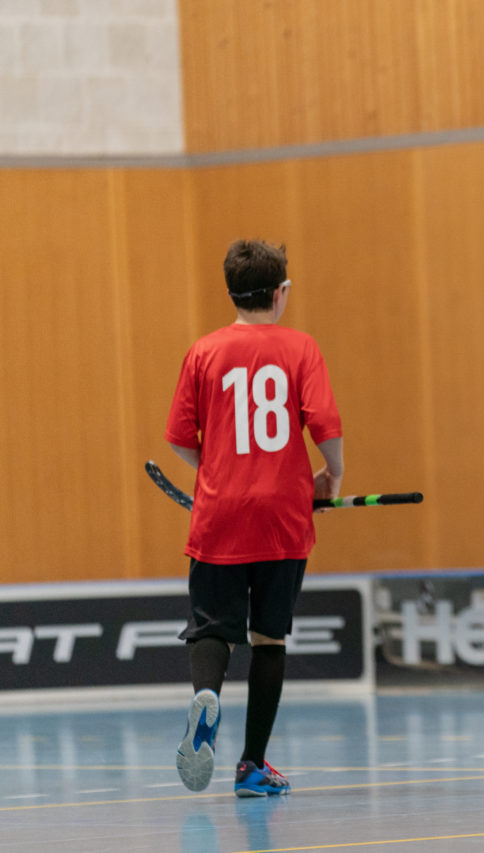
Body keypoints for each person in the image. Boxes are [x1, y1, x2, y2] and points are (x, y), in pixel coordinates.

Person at [165, 239, 344, 797]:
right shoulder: (300, 347)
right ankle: (252, 766)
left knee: (211, 628)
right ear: (280, 292)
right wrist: (331, 476)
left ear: (232, 292)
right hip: (283, 516)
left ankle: (207, 694)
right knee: (269, 638)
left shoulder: (204, 351)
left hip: (219, 514)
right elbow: (326, 429)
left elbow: (179, 441)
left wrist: (216, 472)